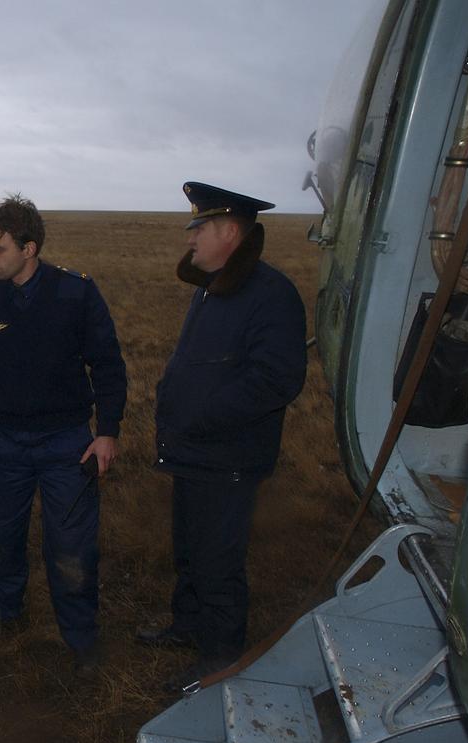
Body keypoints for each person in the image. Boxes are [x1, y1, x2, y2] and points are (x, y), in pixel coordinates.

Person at [139, 181, 307, 692]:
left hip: (227, 456)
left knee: (217, 560)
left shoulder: (270, 294)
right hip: (194, 452)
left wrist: (202, 415)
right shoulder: (216, 287)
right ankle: (187, 627)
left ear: (230, 232)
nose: (189, 240)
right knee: (190, 549)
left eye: (198, 229)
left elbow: (276, 380)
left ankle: (220, 660)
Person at [0, 194, 127, 678]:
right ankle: (6, 611)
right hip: (9, 440)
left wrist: (108, 432)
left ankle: (80, 637)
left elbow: (109, 366)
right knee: (2, 532)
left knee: (70, 543)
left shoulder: (76, 294)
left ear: (28, 248)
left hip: (66, 441)